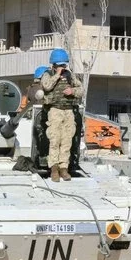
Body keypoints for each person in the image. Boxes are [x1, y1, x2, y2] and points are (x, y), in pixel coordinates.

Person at [41, 49, 83, 182]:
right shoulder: (48, 74)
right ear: (53, 64)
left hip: (68, 111)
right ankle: (54, 169)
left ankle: (64, 168)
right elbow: (46, 86)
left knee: (67, 140)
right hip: (55, 110)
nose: (62, 67)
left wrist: (73, 91)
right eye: (59, 65)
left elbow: (81, 89)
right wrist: (57, 75)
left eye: (63, 65)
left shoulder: (70, 75)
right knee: (54, 140)